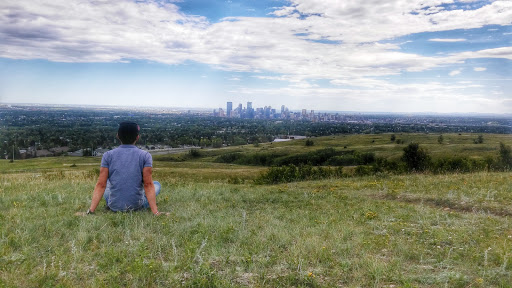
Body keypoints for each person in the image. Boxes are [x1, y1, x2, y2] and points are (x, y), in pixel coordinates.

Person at [86, 121, 164, 216]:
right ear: (137, 137)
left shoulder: (107, 155)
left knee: (108, 185)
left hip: (114, 206)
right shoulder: (145, 155)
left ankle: (113, 202)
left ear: (118, 136)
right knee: (156, 184)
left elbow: (101, 185)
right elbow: (148, 184)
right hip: (136, 206)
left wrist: (91, 210)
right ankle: (143, 204)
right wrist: (156, 212)